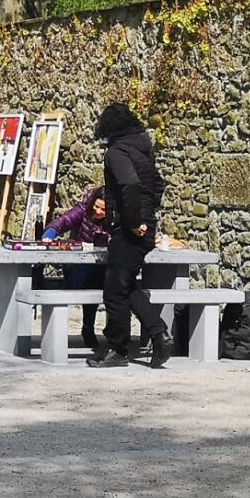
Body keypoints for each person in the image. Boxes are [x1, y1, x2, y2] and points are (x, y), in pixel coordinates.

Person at [88, 103, 172, 368]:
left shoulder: (117, 152)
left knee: (114, 291)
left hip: (129, 229)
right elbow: (157, 184)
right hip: (142, 226)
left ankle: (118, 350)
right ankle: (158, 334)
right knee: (124, 285)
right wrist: (147, 215)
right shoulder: (141, 150)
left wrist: (135, 221)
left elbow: (130, 185)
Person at [41, 186, 109, 348]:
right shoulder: (83, 210)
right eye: (96, 206)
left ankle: (113, 332)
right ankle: (88, 328)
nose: (97, 211)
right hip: (79, 267)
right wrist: (49, 233)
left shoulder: (116, 220)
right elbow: (63, 221)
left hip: (106, 267)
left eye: (103, 209)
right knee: (92, 276)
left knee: (116, 279)